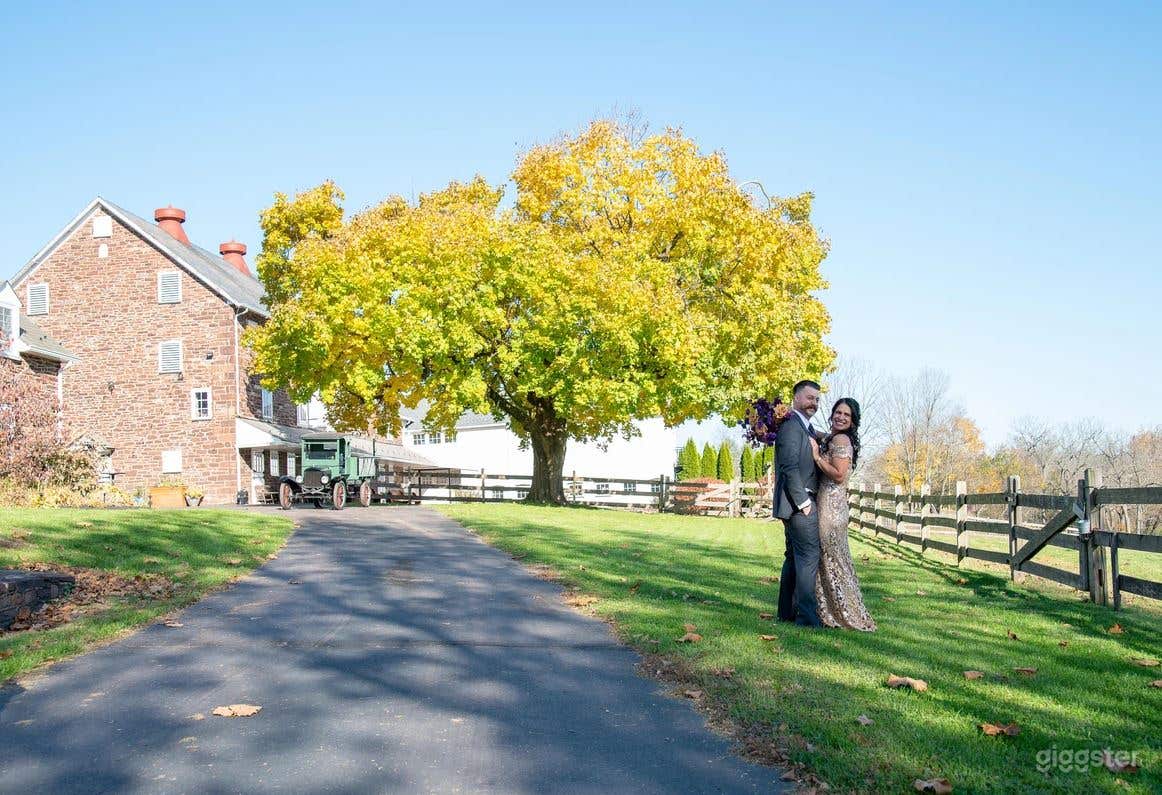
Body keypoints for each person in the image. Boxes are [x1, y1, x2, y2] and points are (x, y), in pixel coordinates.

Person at [809, 398, 876, 631]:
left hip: (831, 508)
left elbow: (838, 475)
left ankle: (844, 612)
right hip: (829, 505)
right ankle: (834, 608)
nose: (840, 417)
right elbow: (814, 432)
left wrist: (817, 457)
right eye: (838, 412)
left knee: (833, 559)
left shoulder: (841, 439)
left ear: (852, 420)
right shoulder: (831, 437)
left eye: (846, 415)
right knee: (830, 559)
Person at [774, 380, 823, 627]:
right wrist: (804, 502)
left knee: (794, 557)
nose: (814, 403)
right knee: (808, 556)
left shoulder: (805, 428)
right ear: (795, 398)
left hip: (794, 503)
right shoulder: (792, 427)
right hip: (798, 503)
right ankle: (806, 618)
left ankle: (786, 613)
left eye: (817, 399)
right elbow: (789, 467)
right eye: (809, 397)